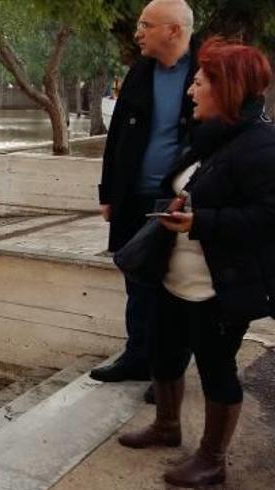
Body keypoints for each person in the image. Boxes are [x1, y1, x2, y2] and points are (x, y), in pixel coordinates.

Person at [117, 38, 275, 488]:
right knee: (164, 356)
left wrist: (199, 221)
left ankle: (212, 458)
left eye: (201, 81)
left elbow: (268, 218)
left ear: (226, 87)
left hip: (219, 287)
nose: (191, 89)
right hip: (175, 277)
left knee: (215, 369)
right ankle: (167, 427)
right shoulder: (207, 136)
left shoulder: (261, 146)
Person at [94, 0, 199, 398]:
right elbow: (117, 137)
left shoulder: (207, 71)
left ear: (173, 30)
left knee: (172, 286)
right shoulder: (139, 72)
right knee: (136, 278)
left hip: (178, 201)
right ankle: (136, 357)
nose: (137, 32)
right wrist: (109, 194)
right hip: (134, 197)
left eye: (146, 24)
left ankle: (166, 373)